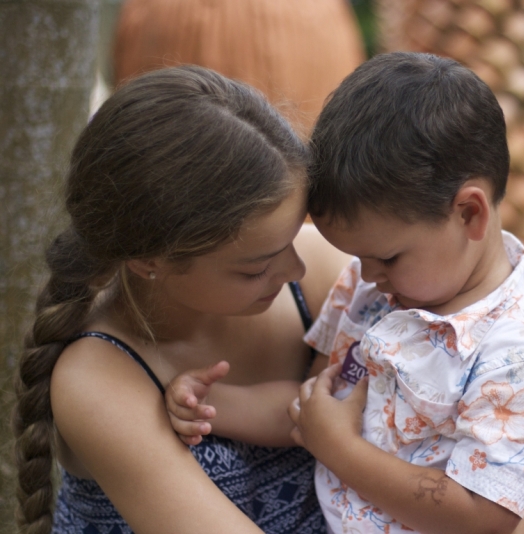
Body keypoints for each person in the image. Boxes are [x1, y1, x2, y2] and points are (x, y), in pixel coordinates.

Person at [169, 52, 524, 534]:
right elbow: (316, 407)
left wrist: (341, 450)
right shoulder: (371, 290)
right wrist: (213, 408)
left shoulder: (513, 360)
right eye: (358, 257)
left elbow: (483, 515)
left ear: (469, 213)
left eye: (388, 258)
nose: (366, 274)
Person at [12, 65, 351, 534]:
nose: (296, 268)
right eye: (255, 267)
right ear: (149, 260)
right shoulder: (98, 376)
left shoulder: (323, 282)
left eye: (296, 236)